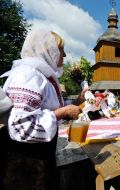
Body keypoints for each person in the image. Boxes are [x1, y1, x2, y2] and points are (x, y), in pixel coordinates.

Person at [0, 29, 81, 189]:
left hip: (39, 157)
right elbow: (22, 127)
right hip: (25, 165)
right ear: (48, 50)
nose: (64, 55)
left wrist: (78, 100)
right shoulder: (27, 76)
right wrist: (62, 113)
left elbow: (47, 107)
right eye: (61, 50)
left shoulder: (41, 76)